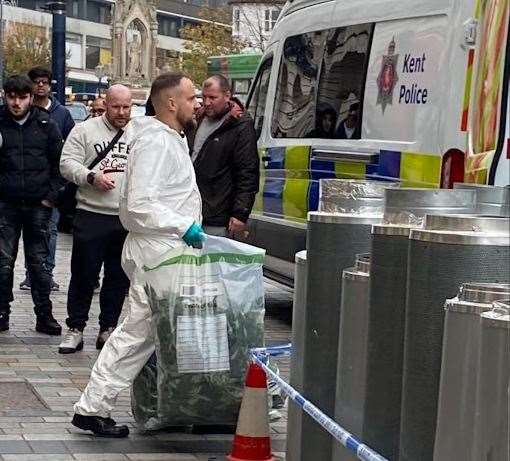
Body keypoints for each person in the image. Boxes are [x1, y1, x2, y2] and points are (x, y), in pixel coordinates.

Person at [71, 72, 204, 437]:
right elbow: (139, 206)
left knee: (145, 332)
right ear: (171, 103)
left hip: (162, 250)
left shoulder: (167, 139)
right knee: (137, 332)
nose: (198, 104)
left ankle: (179, 404)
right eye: (192, 98)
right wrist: (183, 226)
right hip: (158, 252)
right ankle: (93, 406)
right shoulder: (157, 144)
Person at [58, 85, 132, 354]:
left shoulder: (139, 133)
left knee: (117, 277)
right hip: (92, 213)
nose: (122, 113)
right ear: (106, 104)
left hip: (125, 217)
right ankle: (75, 328)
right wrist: (91, 176)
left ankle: (108, 328)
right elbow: (66, 164)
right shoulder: (84, 131)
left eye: (127, 107)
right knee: (84, 274)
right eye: (116, 107)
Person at [0, 75, 64, 335]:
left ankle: (44, 314)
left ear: (30, 98)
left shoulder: (46, 124)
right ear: (5, 96)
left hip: (39, 204)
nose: (16, 103)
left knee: (38, 262)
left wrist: (51, 196)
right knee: (3, 261)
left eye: (22, 97)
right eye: (11, 97)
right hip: (6, 204)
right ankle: (2, 311)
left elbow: (60, 164)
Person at [18, 66, 75, 292]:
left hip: (51, 185)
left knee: (49, 230)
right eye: (36, 82)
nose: (41, 85)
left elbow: (71, 147)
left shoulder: (62, 114)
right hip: (25, 185)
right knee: (29, 232)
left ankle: (46, 273)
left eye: (45, 82)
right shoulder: (22, 111)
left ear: (50, 85)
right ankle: (31, 274)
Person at [191, 74, 259, 237]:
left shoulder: (240, 125)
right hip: (192, 211)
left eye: (213, 97)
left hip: (217, 215)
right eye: (203, 97)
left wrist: (240, 214)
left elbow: (247, 172)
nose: (207, 102)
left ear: (227, 96)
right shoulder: (198, 118)